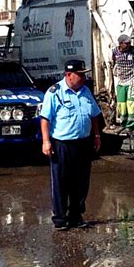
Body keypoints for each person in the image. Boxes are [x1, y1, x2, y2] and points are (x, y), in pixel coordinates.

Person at [40, 59, 102, 231]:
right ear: (68, 75)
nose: (83, 77)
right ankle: (60, 219)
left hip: (83, 143)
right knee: (61, 182)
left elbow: (94, 114)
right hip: (62, 144)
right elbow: (45, 119)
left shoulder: (85, 91)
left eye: (84, 74)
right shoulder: (54, 92)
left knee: (81, 182)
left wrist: (96, 136)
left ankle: (76, 216)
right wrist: (46, 141)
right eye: (80, 74)